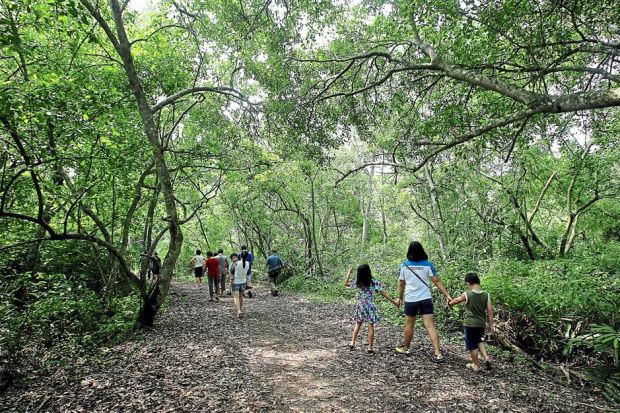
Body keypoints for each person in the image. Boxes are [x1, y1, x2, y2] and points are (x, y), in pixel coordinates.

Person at [395, 241, 453, 362]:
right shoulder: (428, 265)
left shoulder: (404, 266)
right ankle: (438, 353)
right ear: (422, 250)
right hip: (425, 298)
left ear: (409, 251)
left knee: (410, 324)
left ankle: (406, 347)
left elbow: (401, 283)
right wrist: (447, 295)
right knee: (430, 325)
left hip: (411, 299)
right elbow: (436, 281)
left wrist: (399, 298)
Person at [345, 264, 399, 353]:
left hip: (361, 304)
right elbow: (383, 294)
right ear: (369, 271)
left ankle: (352, 342)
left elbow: (346, 284)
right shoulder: (373, 282)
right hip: (370, 305)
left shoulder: (357, 282)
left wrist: (348, 273)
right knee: (370, 326)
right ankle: (370, 347)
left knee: (358, 324)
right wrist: (394, 302)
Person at [449, 272, 494, 371]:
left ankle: (475, 365)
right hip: (481, 324)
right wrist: (491, 324)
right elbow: (490, 310)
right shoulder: (487, 295)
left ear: (469, 283)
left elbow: (456, 300)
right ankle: (486, 358)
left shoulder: (467, 294)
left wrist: (449, 304)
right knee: (479, 340)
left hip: (469, 323)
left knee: (472, 344)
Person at [232, 250, 251, 318]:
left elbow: (232, 270)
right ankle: (240, 310)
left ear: (240, 256)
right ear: (247, 257)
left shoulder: (236, 263)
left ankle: (239, 311)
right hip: (243, 282)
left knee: (236, 297)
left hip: (236, 282)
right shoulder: (248, 263)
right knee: (241, 296)